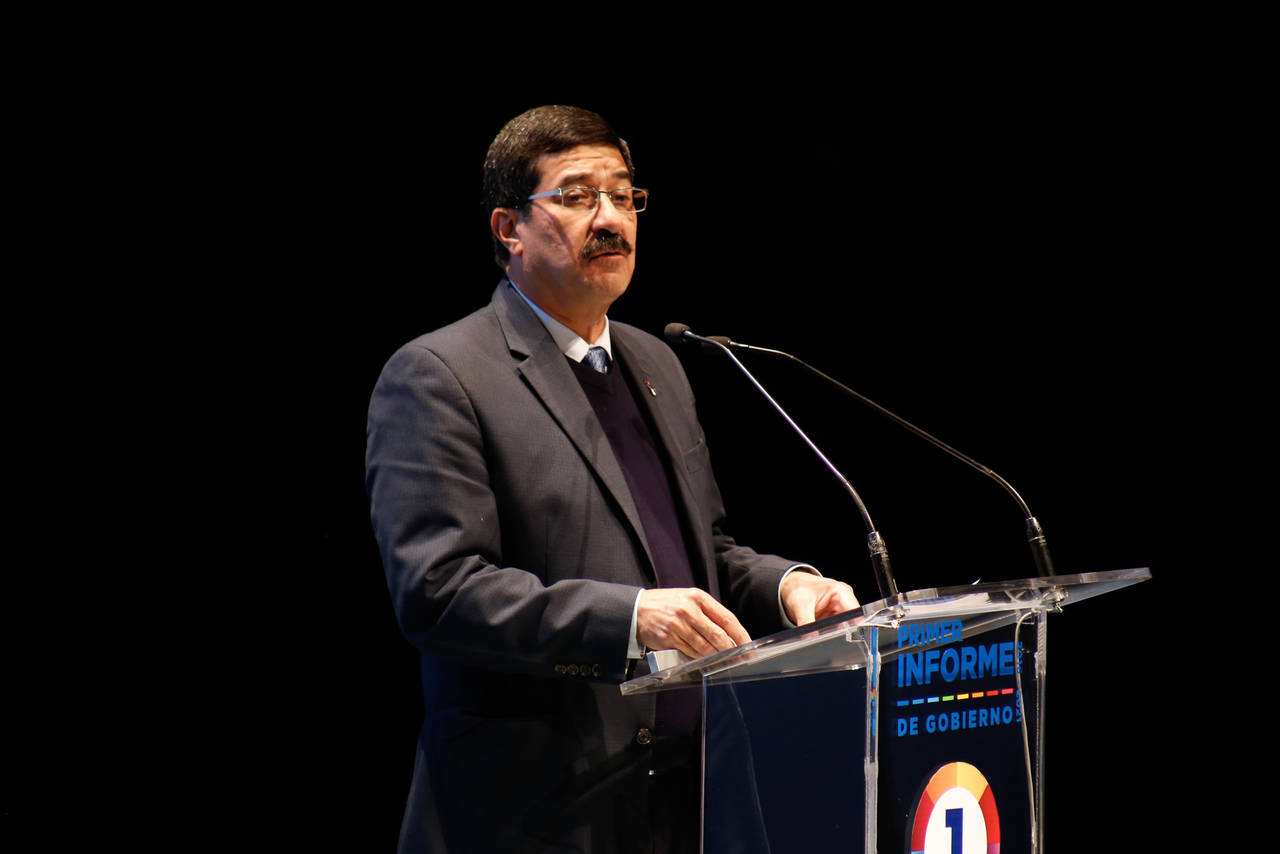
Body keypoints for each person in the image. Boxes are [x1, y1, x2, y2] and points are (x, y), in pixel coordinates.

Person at [366, 105, 858, 853]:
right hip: (539, 811)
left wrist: (789, 588)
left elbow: (701, 555)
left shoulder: (656, 362)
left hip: (688, 799)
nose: (610, 219)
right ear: (508, 227)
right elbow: (439, 593)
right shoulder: (440, 375)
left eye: (624, 196)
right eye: (576, 196)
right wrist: (628, 618)